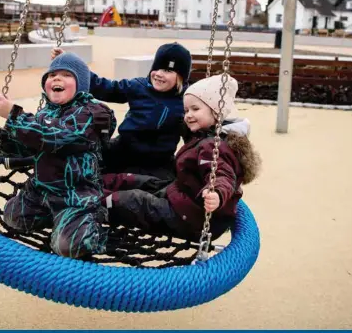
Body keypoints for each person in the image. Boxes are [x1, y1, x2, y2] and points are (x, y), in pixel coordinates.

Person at [0, 52, 117, 259]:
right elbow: (29, 146)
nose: (56, 78)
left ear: (81, 84)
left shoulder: (91, 114)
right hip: (42, 191)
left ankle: (90, 225)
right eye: (51, 75)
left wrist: (14, 115)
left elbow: (57, 138)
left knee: (67, 246)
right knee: (12, 216)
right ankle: (57, 218)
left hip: (75, 195)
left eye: (66, 75)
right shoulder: (44, 114)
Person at [101, 74, 262, 241]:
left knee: (133, 200)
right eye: (186, 110)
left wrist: (217, 194)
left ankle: (90, 204)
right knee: (136, 181)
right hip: (183, 195)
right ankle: (97, 185)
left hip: (191, 218)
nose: (188, 115)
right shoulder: (204, 135)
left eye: (195, 109)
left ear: (217, 112)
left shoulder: (214, 147)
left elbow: (223, 175)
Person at [51, 42, 191, 182]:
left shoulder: (186, 101)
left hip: (157, 162)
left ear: (180, 77)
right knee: (87, 165)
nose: (159, 74)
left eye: (167, 71)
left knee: (155, 188)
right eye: (157, 68)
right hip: (123, 149)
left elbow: (195, 133)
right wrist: (72, 67)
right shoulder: (139, 87)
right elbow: (107, 88)